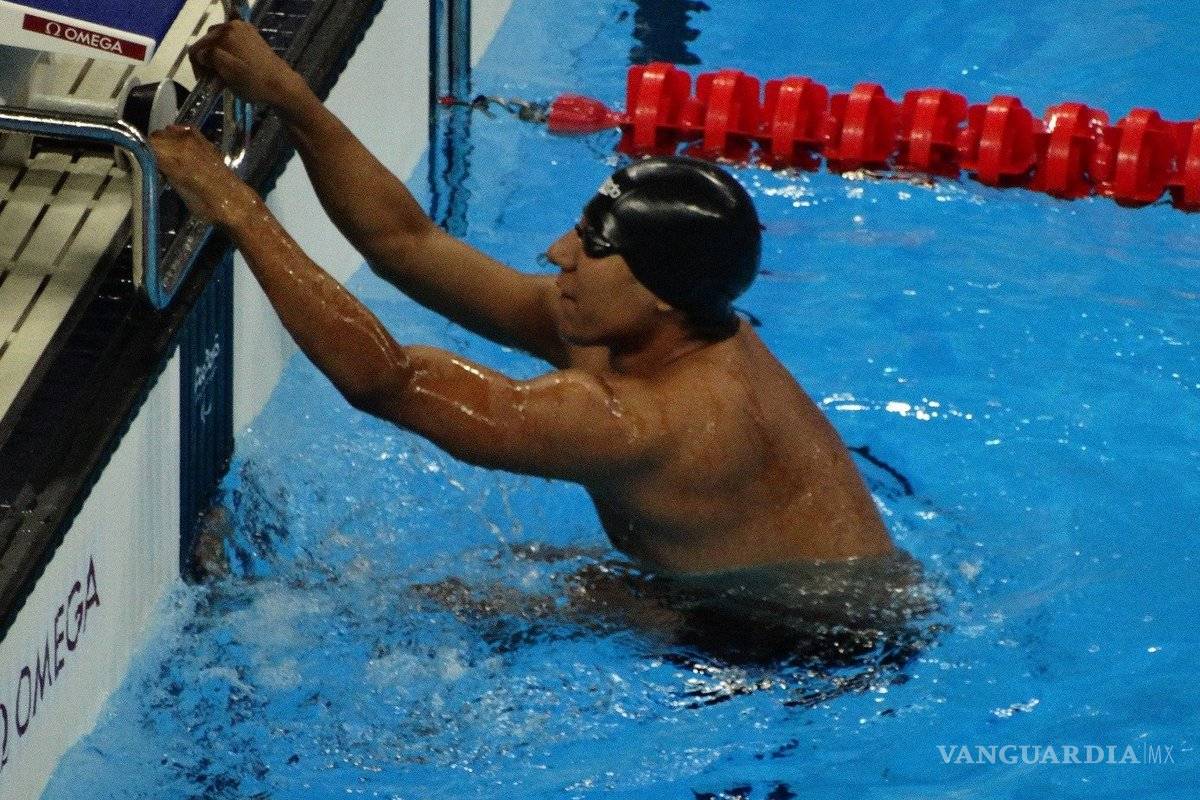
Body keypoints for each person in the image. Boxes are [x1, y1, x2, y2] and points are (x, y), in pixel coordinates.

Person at [149, 20, 896, 582]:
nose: (556, 254)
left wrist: (240, 211)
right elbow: (408, 245)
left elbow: (388, 381)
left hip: (797, 646)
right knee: (510, 578)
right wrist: (292, 98)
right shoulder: (653, 324)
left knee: (461, 599)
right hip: (742, 580)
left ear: (659, 295)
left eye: (594, 247)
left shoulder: (641, 422)